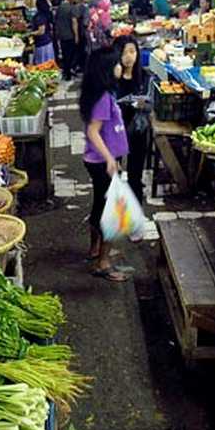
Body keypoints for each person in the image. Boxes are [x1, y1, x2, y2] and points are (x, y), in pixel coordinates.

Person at [80, 47, 130, 282]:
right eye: (117, 64)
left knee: (99, 204)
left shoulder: (100, 93)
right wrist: (111, 159)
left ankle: (95, 250)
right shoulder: (102, 98)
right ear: (107, 70)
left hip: (98, 161)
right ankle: (103, 262)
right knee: (111, 213)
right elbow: (93, 131)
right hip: (103, 162)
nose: (121, 67)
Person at [113, 35, 150, 215]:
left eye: (132, 51)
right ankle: (118, 215)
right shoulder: (112, 77)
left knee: (135, 175)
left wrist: (144, 103)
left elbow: (151, 102)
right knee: (115, 175)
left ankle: (136, 216)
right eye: (124, 52)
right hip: (115, 132)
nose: (129, 56)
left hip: (138, 131)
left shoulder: (144, 77)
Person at [55, 0, 80, 81]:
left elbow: (56, 21)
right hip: (70, 35)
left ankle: (66, 72)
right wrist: (76, 35)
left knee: (65, 54)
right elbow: (74, 23)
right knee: (71, 54)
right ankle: (70, 72)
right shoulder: (72, 7)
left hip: (62, 36)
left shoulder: (60, 7)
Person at [31, 0, 55, 65]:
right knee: (49, 65)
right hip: (47, 42)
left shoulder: (39, 16)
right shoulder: (46, 14)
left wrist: (30, 33)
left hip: (42, 45)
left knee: (43, 65)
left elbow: (41, 31)